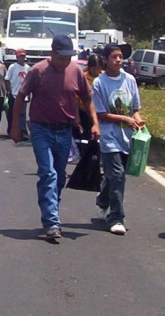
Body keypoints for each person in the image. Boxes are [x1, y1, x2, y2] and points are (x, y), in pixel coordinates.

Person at [11, 34, 100, 243]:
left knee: (59, 177)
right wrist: (16, 125)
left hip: (64, 131)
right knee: (48, 173)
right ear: (52, 53)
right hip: (41, 129)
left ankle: (51, 211)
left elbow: (87, 99)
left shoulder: (76, 71)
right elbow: (21, 96)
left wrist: (95, 122)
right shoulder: (38, 71)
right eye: (62, 57)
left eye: (69, 57)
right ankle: (51, 221)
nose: (65, 62)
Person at [92, 44, 145, 235]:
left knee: (114, 176)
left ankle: (103, 200)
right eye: (114, 57)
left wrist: (138, 121)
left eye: (120, 57)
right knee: (117, 174)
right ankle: (116, 217)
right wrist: (125, 119)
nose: (118, 60)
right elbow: (101, 113)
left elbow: (135, 108)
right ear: (105, 59)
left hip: (127, 138)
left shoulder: (129, 79)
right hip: (109, 137)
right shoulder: (99, 83)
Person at [5, 49, 30, 140]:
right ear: (17, 57)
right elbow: (7, 79)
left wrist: (29, 94)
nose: (22, 58)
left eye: (23, 56)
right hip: (14, 94)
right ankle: (11, 130)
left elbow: (29, 82)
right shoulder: (12, 67)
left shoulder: (27, 68)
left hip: (23, 95)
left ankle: (23, 132)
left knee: (22, 113)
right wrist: (9, 91)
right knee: (12, 113)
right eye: (20, 56)